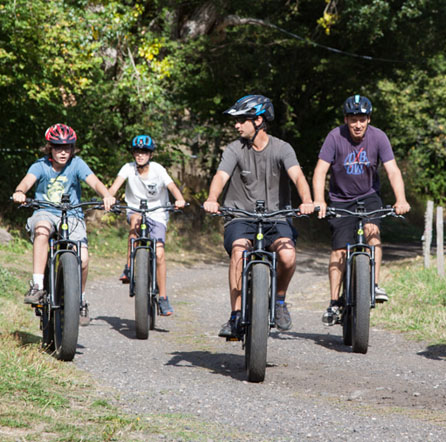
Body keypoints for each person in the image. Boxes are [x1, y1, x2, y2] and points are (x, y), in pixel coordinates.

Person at [203, 94, 314, 339]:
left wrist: (306, 201)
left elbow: (297, 176)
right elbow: (221, 176)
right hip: (240, 215)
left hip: (276, 217)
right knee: (239, 251)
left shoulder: (282, 148)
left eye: (242, 120)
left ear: (259, 121)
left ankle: (280, 300)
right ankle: (235, 315)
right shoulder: (234, 149)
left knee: (287, 256)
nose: (236, 125)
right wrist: (212, 198)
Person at [312, 94, 410, 325]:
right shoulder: (335, 137)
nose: (358, 124)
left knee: (372, 235)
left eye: (362, 119)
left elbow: (392, 171)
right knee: (339, 251)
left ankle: (373, 286)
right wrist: (319, 200)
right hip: (340, 199)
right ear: (346, 119)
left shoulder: (379, 137)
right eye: (353, 119)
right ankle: (334, 303)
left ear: (369, 119)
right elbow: (319, 171)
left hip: (369, 196)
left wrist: (401, 199)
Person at [12, 123, 115, 325]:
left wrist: (107, 195)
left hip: (72, 215)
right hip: (45, 211)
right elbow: (26, 181)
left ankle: (81, 299)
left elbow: (94, 182)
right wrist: (20, 192)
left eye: (67, 147)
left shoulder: (77, 164)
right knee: (42, 230)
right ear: (50, 147)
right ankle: (37, 285)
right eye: (58, 147)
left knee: (83, 259)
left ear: (72, 148)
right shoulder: (40, 165)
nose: (63, 152)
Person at [108, 135, 186, 316]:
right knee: (135, 221)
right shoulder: (128, 168)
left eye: (144, 152)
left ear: (150, 154)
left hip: (157, 212)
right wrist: (110, 196)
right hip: (135, 209)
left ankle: (164, 298)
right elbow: (114, 187)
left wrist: (180, 199)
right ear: (133, 153)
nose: (140, 155)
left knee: (159, 253)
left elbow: (172, 187)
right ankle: (128, 267)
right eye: (137, 151)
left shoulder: (158, 170)